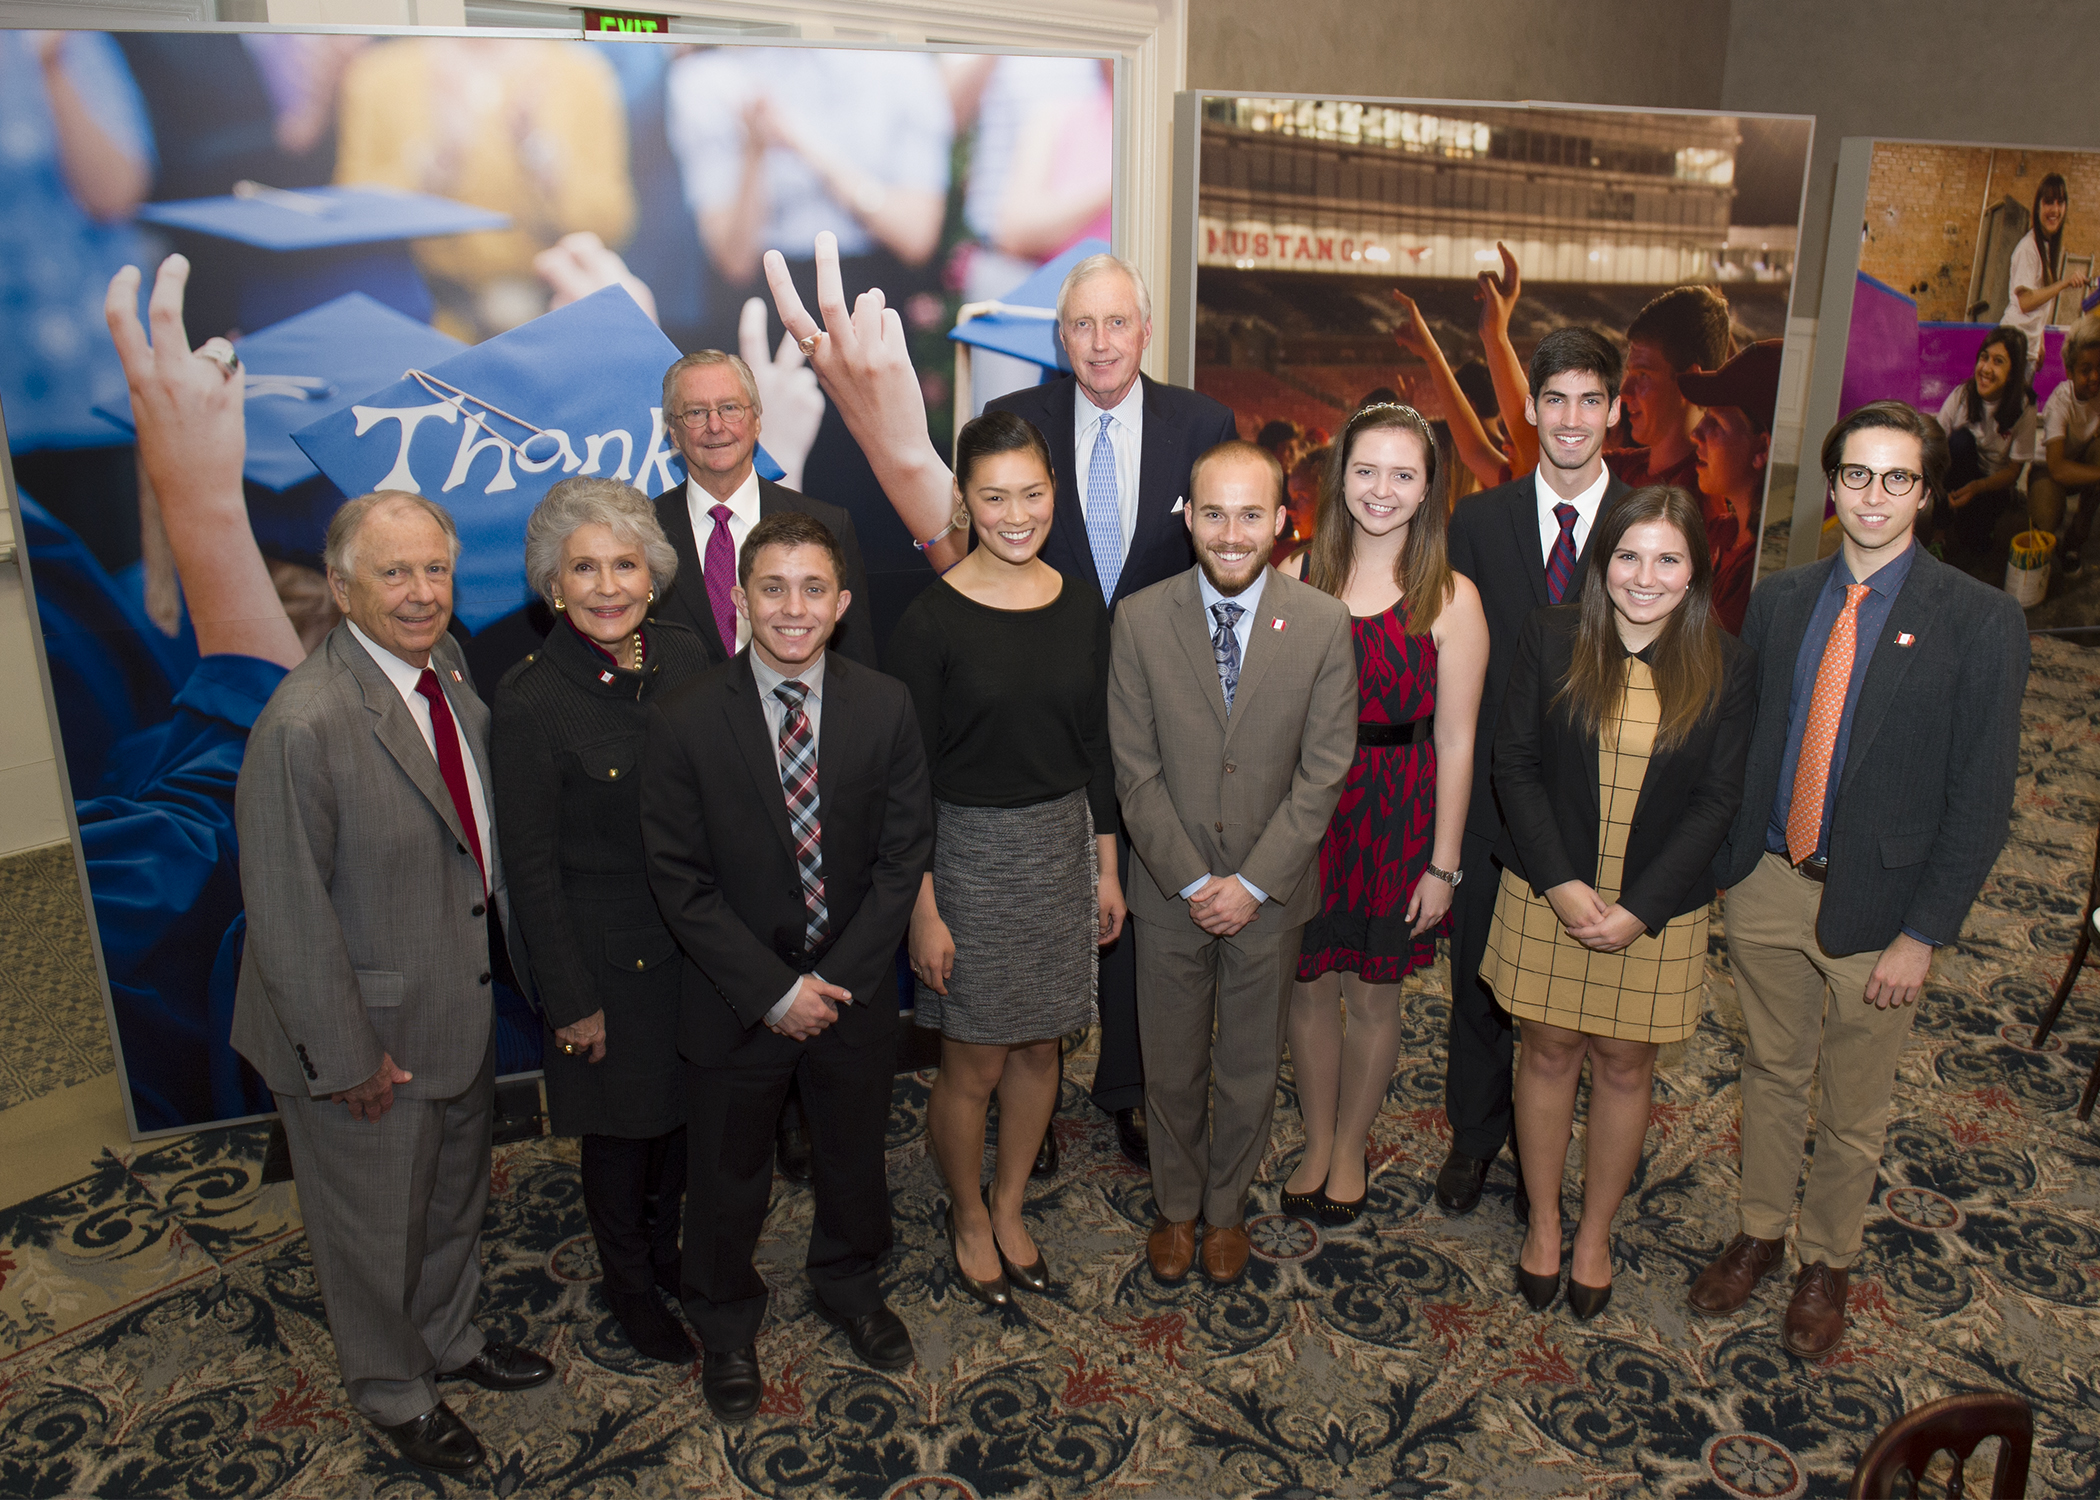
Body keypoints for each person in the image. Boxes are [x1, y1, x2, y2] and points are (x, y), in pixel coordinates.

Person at [1686, 401, 2028, 1359]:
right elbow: (1753, 740)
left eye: (1898, 478)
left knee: (1853, 1103)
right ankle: (1758, 1231)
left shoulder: (1981, 621)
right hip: (1767, 881)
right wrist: (1724, 865)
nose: (1875, 497)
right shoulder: (1783, 597)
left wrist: (1925, 933)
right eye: (1857, 477)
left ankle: (1826, 1261)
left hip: (1882, 912)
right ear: (1831, 488)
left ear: (1925, 491)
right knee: (1770, 1072)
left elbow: (1982, 799)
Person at [230, 487, 553, 1475]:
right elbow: (287, 917)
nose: (422, 594)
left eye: (437, 570)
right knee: (369, 1234)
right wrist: (345, 1059)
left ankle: (448, 1340)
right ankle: (392, 1390)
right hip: (359, 1037)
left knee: (452, 1200)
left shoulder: (443, 665)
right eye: (395, 573)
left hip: (449, 1006)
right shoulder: (305, 724)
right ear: (339, 587)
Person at [641, 511, 933, 1422]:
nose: (792, 608)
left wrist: (831, 985)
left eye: (813, 589)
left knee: (853, 1155)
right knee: (727, 1176)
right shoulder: (684, 717)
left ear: (842, 604)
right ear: (738, 597)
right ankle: (725, 1323)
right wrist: (774, 992)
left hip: (850, 992)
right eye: (772, 587)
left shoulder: (884, 706)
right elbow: (678, 880)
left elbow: (900, 858)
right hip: (737, 999)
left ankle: (849, 1283)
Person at [982, 253, 1242, 1168]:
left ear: (1144, 330)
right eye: (1081, 326)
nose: (1099, 343)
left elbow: (1224, 560)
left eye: (1116, 323)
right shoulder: (1014, 425)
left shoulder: (1204, 424)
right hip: (1041, 702)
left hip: (1162, 709)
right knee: (1043, 901)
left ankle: (1129, 1088)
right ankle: (1031, 1099)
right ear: (1062, 338)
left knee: (1146, 902)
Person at [1487, 485, 1755, 1318]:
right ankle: (1541, 1219)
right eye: (1628, 555)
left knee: (1625, 1064)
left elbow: (1718, 801)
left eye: (1668, 559)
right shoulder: (1551, 636)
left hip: (1658, 910)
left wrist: (1640, 907)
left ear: (1694, 574)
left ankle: (1595, 1232)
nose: (1645, 576)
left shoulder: (1728, 662)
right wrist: (1563, 886)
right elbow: (1516, 764)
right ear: (1601, 563)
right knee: (1547, 1051)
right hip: (1548, 889)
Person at [888, 412, 1124, 1306]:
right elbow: (904, 782)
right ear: (963, 500)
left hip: (1061, 848)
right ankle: (966, 1211)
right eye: (994, 496)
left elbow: (1096, 747)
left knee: (1040, 1048)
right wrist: (924, 906)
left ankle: (1013, 1200)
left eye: (1031, 493)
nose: (1015, 514)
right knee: (974, 1060)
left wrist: (1105, 868)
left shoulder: (1078, 602)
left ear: (1054, 494)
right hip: (966, 857)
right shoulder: (929, 622)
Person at [1107, 441, 1356, 1286]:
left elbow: (1324, 771)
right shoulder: (1140, 619)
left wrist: (1249, 885)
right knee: (1170, 1060)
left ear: (1284, 521)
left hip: (1270, 895)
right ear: (1187, 518)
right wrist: (1191, 879)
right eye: (1213, 512)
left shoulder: (1322, 625)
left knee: (1250, 1064)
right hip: (1168, 890)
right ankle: (1176, 1207)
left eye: (1252, 513)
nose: (1231, 531)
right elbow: (1133, 773)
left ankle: (1225, 1211)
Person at [490, 477, 712, 1365]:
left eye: (625, 563)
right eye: (585, 568)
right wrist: (569, 1002)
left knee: (684, 1125)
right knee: (623, 1140)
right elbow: (531, 874)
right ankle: (632, 1290)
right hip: (606, 970)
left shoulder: (692, 657)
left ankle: (668, 1259)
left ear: (652, 573)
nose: (608, 585)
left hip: (696, 955)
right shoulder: (531, 698)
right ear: (553, 584)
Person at [1279, 403, 1488, 1226]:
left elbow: (1459, 740)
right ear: (1340, 477)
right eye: (1366, 470)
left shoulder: (1451, 596)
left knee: (1372, 994)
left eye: (1404, 474)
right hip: (1310, 813)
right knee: (1307, 986)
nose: (1382, 489)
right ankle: (1316, 1134)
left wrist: (1443, 865)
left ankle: (1350, 1146)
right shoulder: (1299, 576)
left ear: (1430, 488)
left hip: (1399, 810)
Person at [1441, 327, 1633, 1222]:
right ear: (1528, 407)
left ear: (1616, 412)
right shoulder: (1477, 523)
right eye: (1554, 398)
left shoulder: (1649, 526)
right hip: (1487, 798)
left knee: (1578, 1005)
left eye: (1590, 400)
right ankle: (1476, 1139)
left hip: (1603, 805)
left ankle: (1544, 1163)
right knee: (1480, 983)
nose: (1570, 418)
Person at [333, 38, 635, 341]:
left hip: (550, 322)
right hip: (422, 322)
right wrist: (435, 166)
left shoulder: (581, 73)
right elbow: (348, 218)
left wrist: (541, 159)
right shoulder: (379, 73)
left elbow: (612, 222)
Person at [1, 30, 154, 575]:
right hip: (10, 399)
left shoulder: (76, 45)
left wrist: (51, 67)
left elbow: (113, 192)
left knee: (116, 590)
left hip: (94, 390)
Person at [651, 348, 876, 673]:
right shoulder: (643, 531)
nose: (715, 426)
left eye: (729, 408)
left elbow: (855, 667)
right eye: (696, 413)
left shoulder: (827, 524)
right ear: (673, 431)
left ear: (757, 421)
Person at [1608, 285, 1733, 543]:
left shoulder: (1695, 504)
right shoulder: (1626, 468)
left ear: (1689, 381)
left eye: (1643, 375)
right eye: (1628, 373)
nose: (1625, 391)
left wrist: (1498, 338)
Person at [1679, 339, 1786, 634]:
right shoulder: (1721, 534)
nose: (1696, 433)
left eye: (1716, 423)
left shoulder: (1763, 569)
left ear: (1762, 448)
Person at [1931, 327, 2038, 566]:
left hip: (1991, 484)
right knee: (1959, 442)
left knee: (1977, 545)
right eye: (1984, 357)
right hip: (1958, 472)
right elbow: (1935, 443)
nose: (1986, 369)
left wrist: (1978, 487)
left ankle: (1975, 523)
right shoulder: (1962, 394)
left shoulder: (2024, 407)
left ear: (2012, 373)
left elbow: (2013, 471)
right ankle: (1939, 532)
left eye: (1998, 362)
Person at [2031, 313, 2100, 576]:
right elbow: (2057, 468)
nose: (2095, 376)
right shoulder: (2061, 402)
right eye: (2085, 370)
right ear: (2070, 372)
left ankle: (2074, 543)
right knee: (2047, 517)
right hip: (2048, 471)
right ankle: (2041, 537)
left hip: (2082, 466)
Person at [2000, 173, 2085, 368]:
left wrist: (2040, 340)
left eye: (2060, 202)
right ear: (2038, 206)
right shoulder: (2027, 248)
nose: (2055, 209)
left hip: (2028, 347)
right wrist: (2064, 282)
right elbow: (2026, 302)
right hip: (2013, 346)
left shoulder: (2046, 247)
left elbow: (2039, 305)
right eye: (2048, 202)